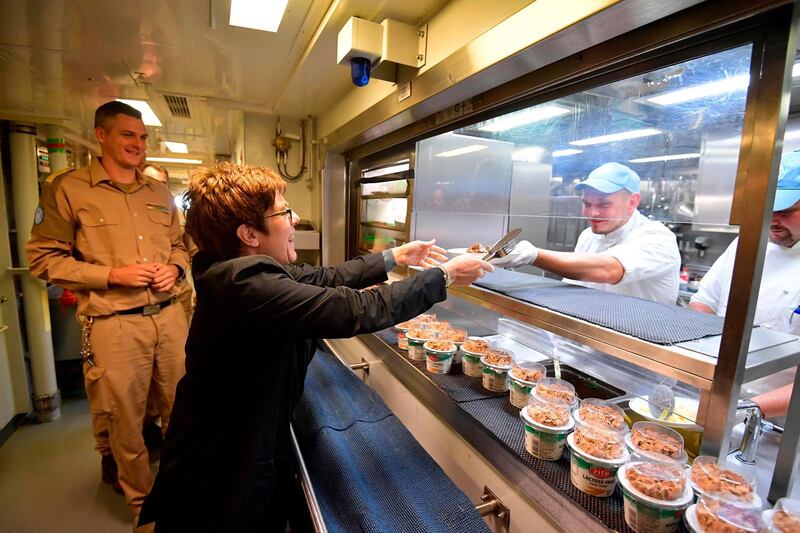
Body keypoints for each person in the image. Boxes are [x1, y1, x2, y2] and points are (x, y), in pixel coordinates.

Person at [138, 162, 493, 531]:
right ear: (248, 233)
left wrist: (396, 256)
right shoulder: (243, 285)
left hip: (236, 443)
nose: (295, 220)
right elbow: (355, 310)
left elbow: (324, 277)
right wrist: (447, 275)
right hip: (224, 463)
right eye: (283, 211)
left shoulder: (237, 265)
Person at [26, 101, 189, 526]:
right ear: (101, 135)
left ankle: (183, 493)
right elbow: (44, 260)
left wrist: (174, 269)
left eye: (142, 136)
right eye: (127, 135)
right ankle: (145, 508)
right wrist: (112, 274)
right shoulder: (69, 189)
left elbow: (179, 246)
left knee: (183, 411)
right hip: (115, 324)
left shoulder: (159, 193)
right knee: (126, 422)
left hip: (171, 318)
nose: (138, 144)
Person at [690, 150, 800, 417]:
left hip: (781, 424)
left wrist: (746, 410)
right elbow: (703, 303)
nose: (771, 219)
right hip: (720, 393)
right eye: (767, 208)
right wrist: (702, 368)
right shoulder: (747, 241)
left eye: (784, 210)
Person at [493, 162, 681, 304]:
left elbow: (609, 269)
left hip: (641, 346)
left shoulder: (657, 238)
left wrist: (533, 255)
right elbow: (573, 287)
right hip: (592, 339)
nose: (591, 213)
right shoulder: (589, 236)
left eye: (604, 204)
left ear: (632, 202)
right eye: (587, 204)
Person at [141, 163, 196, 323]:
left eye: (162, 183)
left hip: (177, 293)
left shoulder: (178, 215)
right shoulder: (128, 213)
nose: (156, 186)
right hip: (136, 298)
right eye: (150, 180)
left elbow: (193, 252)